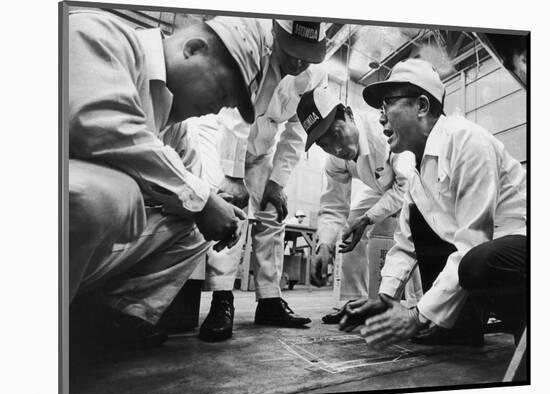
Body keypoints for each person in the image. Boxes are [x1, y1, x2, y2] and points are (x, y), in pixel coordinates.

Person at [68, 11, 264, 347]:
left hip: (78, 252)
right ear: (193, 49)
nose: (217, 110)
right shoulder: (99, 34)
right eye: (221, 91)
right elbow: (99, 124)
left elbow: (198, 198)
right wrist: (201, 199)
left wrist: (213, 209)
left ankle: (109, 315)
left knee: (194, 227)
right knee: (103, 194)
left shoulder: (176, 130)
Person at [339, 58, 527, 348]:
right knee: (420, 223)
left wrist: (417, 316)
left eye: (388, 103)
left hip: (522, 252)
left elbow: (473, 242)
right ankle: (457, 328)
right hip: (484, 260)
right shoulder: (416, 173)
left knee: (476, 261)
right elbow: (405, 245)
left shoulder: (466, 140)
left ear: (422, 107)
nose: (381, 118)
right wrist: (384, 302)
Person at [162, 19, 329, 342]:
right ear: (276, 36)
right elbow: (233, 115)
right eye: (292, 53)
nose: (298, 62)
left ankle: (269, 299)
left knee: (272, 214)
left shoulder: (313, 76)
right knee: (231, 208)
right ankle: (222, 299)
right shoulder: (253, 49)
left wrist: (277, 182)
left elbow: (295, 132)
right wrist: (234, 176)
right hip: (223, 136)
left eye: (306, 55)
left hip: (262, 150)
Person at [296, 87, 418, 323]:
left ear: (349, 115)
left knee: (407, 230)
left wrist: (369, 218)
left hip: (415, 187)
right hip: (382, 188)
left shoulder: (384, 133)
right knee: (350, 226)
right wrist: (324, 244)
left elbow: (405, 188)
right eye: (325, 145)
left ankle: (414, 305)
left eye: (337, 134)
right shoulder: (335, 159)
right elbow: (333, 205)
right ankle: (353, 301)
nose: (336, 148)